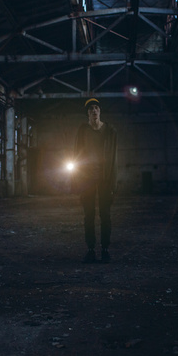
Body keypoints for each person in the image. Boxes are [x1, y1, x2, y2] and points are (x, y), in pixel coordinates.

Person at [73, 98, 118, 263]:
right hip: (87, 179)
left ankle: (105, 249)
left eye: (96, 107)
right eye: (91, 108)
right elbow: (76, 153)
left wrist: (113, 182)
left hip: (105, 179)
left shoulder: (110, 131)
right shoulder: (83, 131)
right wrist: (77, 180)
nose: (94, 111)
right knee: (89, 215)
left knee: (105, 215)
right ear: (88, 113)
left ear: (100, 111)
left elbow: (114, 159)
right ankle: (91, 249)